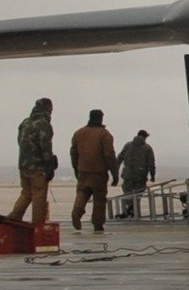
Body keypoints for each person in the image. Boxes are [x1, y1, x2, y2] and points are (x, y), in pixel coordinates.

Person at [9, 97, 58, 226]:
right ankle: (38, 225)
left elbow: (20, 141)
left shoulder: (25, 123)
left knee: (26, 193)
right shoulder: (43, 124)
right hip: (38, 167)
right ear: (48, 108)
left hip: (24, 164)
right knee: (39, 195)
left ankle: (14, 217)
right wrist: (49, 165)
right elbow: (45, 146)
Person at [69, 108, 118, 232]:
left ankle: (76, 212)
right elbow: (109, 154)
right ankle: (98, 224)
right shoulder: (104, 134)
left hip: (83, 170)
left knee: (82, 192)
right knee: (99, 199)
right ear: (101, 118)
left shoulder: (78, 133)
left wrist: (76, 168)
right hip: (99, 172)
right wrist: (115, 173)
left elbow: (73, 153)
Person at [116, 129, 156, 218]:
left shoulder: (127, 145)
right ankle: (132, 211)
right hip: (140, 176)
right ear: (145, 137)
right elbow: (151, 164)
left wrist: (115, 171)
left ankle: (130, 211)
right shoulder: (147, 148)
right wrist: (152, 175)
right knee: (137, 195)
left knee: (128, 194)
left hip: (128, 175)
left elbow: (119, 158)